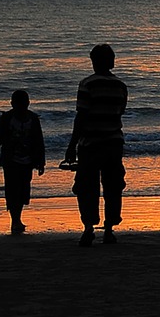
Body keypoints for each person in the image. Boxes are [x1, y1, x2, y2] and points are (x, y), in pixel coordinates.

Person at [65, 43, 128, 246]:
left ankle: (88, 228)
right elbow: (120, 112)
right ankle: (109, 229)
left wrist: (72, 145)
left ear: (94, 62)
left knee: (86, 187)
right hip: (113, 143)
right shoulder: (120, 86)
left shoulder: (87, 84)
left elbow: (81, 116)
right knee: (113, 186)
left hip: (91, 144)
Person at [0, 89, 46, 234]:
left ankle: (17, 218)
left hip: (28, 160)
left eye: (23, 103)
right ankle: (15, 220)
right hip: (10, 160)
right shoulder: (6, 119)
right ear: (12, 104)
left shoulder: (33, 119)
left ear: (28, 103)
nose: (20, 106)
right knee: (12, 190)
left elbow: (39, 141)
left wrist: (41, 161)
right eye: (18, 103)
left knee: (23, 190)